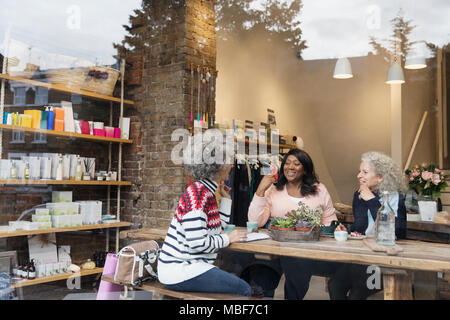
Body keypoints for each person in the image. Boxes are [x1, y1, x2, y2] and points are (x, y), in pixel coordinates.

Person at [157, 137, 252, 296]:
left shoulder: (205, 191)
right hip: (181, 270)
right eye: (228, 161)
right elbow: (198, 242)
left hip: (189, 268)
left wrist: (226, 200)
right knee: (244, 289)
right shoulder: (198, 195)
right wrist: (228, 238)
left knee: (236, 278)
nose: (231, 165)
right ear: (218, 168)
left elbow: (214, 231)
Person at [247, 148, 340, 299]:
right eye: (287, 163)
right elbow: (255, 222)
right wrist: (260, 190)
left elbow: (329, 220)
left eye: (296, 164)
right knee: (262, 279)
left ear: (305, 169)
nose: (290, 167)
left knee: (296, 276)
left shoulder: (319, 190)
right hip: (276, 248)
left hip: (304, 250)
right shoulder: (273, 189)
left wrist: (336, 228)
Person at [328, 151, 407, 300]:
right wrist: (348, 229)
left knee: (357, 294)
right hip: (363, 256)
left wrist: (371, 200)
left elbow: (395, 231)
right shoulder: (359, 194)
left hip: (385, 259)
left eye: (365, 172)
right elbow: (361, 227)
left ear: (380, 177)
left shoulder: (395, 197)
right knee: (335, 285)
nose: (359, 176)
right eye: (360, 171)